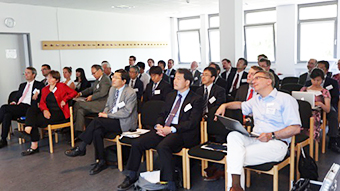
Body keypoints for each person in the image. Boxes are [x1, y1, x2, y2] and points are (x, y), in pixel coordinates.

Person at [118, 69, 203, 191]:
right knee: (137, 143)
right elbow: (162, 114)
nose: (175, 81)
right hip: (164, 129)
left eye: (179, 78)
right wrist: (158, 124)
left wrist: (172, 129)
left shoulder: (196, 99)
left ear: (187, 82)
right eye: (175, 78)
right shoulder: (171, 95)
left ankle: (171, 182)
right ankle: (131, 176)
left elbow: (192, 122)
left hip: (181, 132)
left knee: (162, 147)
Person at [215, 70, 301, 191]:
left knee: (233, 157)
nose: (252, 81)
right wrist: (224, 105)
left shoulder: (285, 99)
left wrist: (272, 135)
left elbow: (296, 128)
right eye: (252, 78)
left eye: (257, 78)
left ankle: (234, 187)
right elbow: (240, 105)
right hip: (255, 138)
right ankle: (236, 187)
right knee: (233, 135)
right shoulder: (256, 99)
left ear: (268, 81)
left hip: (277, 143)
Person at [64, 69, 138, 175]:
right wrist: (105, 114)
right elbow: (108, 106)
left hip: (123, 122)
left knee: (97, 122)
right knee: (97, 131)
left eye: (116, 78)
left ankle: (82, 147)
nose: (113, 79)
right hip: (110, 120)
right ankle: (101, 161)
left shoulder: (130, 93)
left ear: (124, 81)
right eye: (113, 77)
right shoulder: (112, 89)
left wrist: (107, 115)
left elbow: (126, 112)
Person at [16, 70, 77, 156]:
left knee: (34, 120)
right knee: (31, 110)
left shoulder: (62, 86)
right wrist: (45, 110)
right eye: (48, 77)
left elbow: (74, 93)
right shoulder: (45, 89)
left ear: (56, 80)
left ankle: (33, 143)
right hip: (47, 111)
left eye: (50, 77)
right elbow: (41, 103)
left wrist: (64, 99)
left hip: (59, 112)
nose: (48, 79)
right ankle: (28, 130)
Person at [0, 67, 43, 148]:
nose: (25, 74)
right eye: (25, 73)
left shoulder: (39, 84)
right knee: (7, 115)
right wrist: (13, 102)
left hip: (29, 108)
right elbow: (17, 97)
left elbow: (42, 91)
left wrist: (37, 93)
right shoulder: (22, 85)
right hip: (19, 106)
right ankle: (3, 139)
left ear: (34, 75)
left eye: (28, 73)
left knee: (4, 108)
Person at [305, 61, 340, 153]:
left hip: (327, 103)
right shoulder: (308, 83)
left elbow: (335, 97)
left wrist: (323, 102)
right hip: (311, 106)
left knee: (332, 114)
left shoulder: (332, 82)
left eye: (322, 68)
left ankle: (333, 140)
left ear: (327, 70)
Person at [73, 65, 111, 133]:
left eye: (94, 73)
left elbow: (103, 93)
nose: (93, 75)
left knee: (78, 104)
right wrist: (80, 93)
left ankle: (71, 123)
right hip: (95, 103)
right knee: (80, 111)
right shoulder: (97, 80)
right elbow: (91, 89)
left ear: (99, 71)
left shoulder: (105, 79)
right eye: (92, 74)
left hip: (101, 104)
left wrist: (92, 97)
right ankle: (79, 132)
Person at [300, 68, 331, 142]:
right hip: (302, 112)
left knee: (313, 118)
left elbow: (327, 109)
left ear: (322, 80)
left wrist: (321, 104)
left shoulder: (324, 92)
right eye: (314, 80)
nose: (316, 82)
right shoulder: (304, 89)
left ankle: (311, 141)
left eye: (318, 80)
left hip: (315, 113)